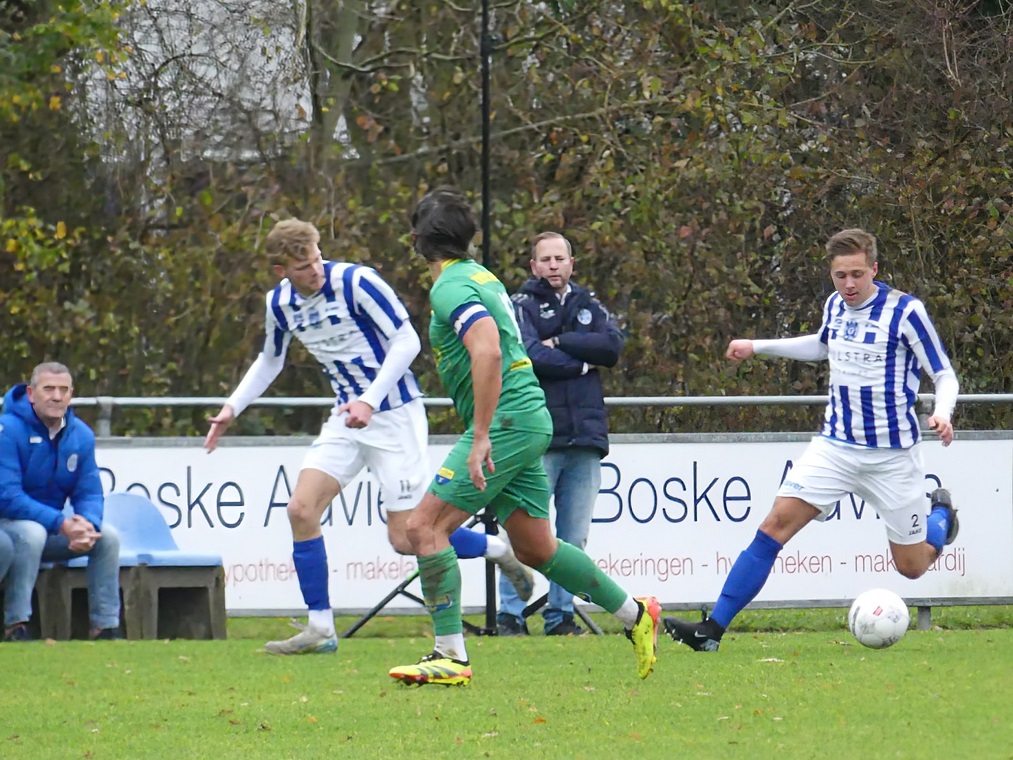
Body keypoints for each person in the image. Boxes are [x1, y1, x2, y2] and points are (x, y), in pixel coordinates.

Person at [204, 218, 533, 655]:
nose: (316, 271)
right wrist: (232, 408)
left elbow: (407, 341)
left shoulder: (358, 282)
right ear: (281, 269)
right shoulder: (280, 303)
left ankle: (496, 550)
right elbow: (270, 360)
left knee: (405, 539)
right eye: (303, 267)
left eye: (318, 258)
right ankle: (321, 628)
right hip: (346, 417)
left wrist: (370, 400)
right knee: (301, 510)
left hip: (394, 414)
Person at [387, 186, 659, 686]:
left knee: (422, 529)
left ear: (416, 241)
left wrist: (484, 433)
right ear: (468, 239)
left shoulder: (449, 286)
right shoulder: (482, 276)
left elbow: (487, 352)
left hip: (507, 422)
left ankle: (450, 655)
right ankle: (635, 615)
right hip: (528, 416)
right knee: (537, 548)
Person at [664, 228, 960, 652]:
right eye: (840, 276)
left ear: (874, 269)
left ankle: (941, 517)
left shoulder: (906, 312)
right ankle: (711, 630)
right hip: (835, 447)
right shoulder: (835, 307)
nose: (850, 285)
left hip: (893, 458)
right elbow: (821, 345)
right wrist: (756, 346)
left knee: (911, 568)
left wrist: (943, 412)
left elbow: (943, 373)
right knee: (773, 526)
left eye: (858, 274)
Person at [497, 232, 625, 637]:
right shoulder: (521, 305)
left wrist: (565, 342)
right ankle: (510, 615)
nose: (553, 265)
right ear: (533, 266)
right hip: (539, 437)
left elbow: (613, 346)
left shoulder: (589, 304)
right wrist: (582, 364)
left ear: (572, 263)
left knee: (572, 538)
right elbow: (531, 355)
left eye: (560, 258)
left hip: (585, 438)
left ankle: (561, 616)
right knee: (526, 531)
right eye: (545, 259)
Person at [0, 362, 122, 641]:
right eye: (49, 389)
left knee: (107, 537)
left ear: (71, 395)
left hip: (53, 528)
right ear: (31, 393)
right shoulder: (7, 430)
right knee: (32, 533)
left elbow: (89, 492)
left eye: (63, 390)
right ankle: (16, 626)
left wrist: (86, 524)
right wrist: (61, 523)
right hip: (7, 527)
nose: (56, 396)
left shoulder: (81, 435)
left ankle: (105, 627)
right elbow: (7, 496)